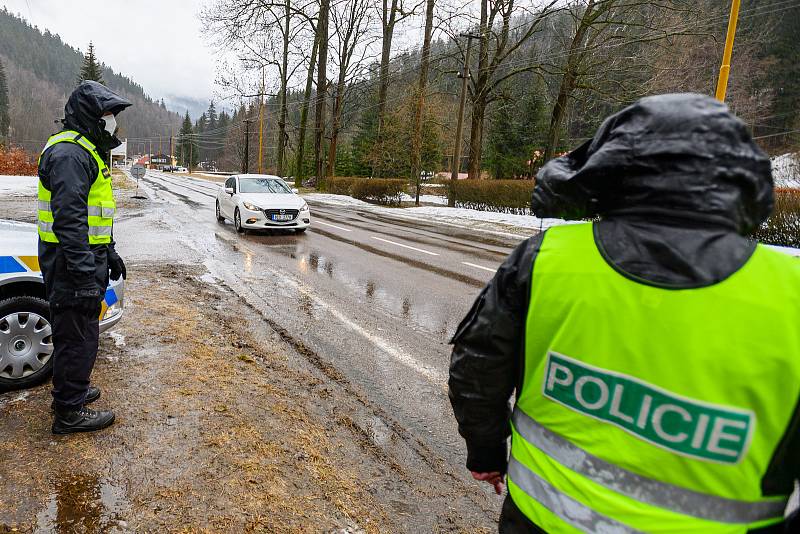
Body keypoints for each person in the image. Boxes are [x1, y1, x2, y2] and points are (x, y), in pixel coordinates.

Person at [449, 93, 800, 533]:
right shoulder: (789, 292)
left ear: (613, 167)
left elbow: (479, 365)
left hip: (539, 519)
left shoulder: (548, 259)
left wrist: (485, 453)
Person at [37, 81, 131, 434]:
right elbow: (69, 220)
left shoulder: (82, 150)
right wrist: (81, 275)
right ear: (91, 115)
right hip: (70, 263)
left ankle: (70, 391)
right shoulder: (70, 155)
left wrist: (109, 251)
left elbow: (93, 216)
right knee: (78, 337)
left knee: (77, 333)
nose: (112, 122)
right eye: (108, 115)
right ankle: (69, 413)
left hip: (81, 258)